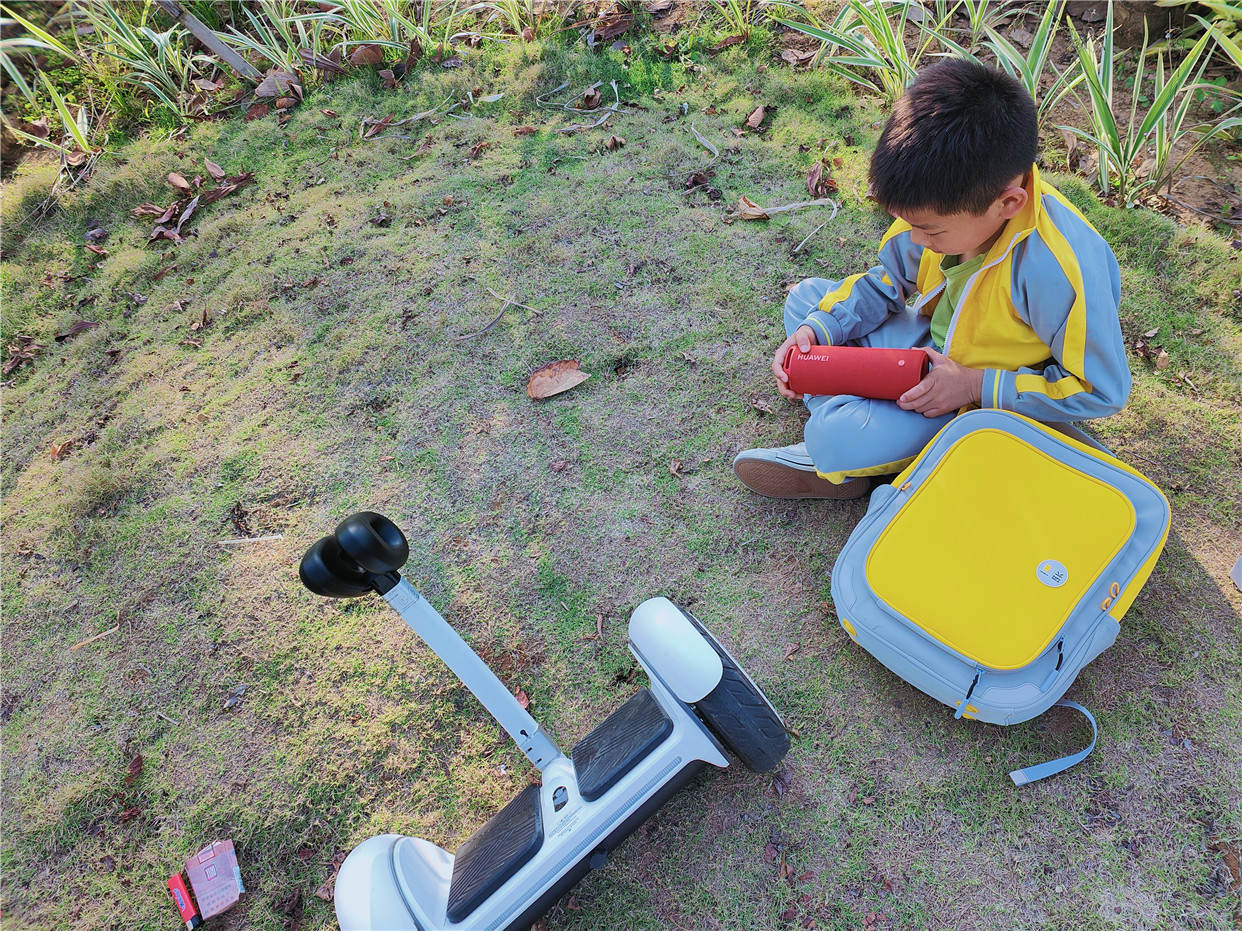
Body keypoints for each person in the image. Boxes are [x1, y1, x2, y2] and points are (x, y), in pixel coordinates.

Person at [733, 59, 1131, 499]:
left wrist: (972, 385)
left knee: (834, 438)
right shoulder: (937, 203)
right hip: (921, 346)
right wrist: (816, 330)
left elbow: (1100, 390)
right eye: (906, 222)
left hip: (970, 393)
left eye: (931, 231)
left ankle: (840, 450)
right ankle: (852, 435)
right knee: (806, 302)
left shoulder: (1059, 267)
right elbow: (887, 282)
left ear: (1008, 203)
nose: (915, 238)